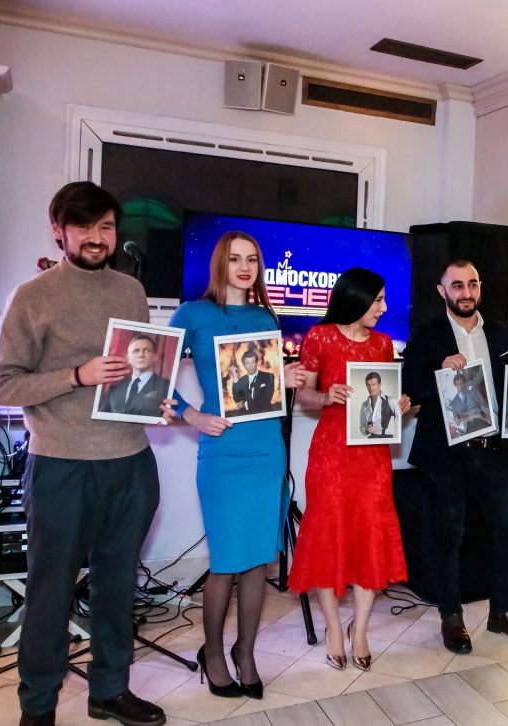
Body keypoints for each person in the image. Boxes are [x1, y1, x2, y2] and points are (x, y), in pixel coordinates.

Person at [0, 181, 165, 726]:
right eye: (83, 226)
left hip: (130, 461)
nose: (95, 237)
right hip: (61, 465)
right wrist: (76, 376)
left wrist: (153, 395)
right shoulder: (32, 296)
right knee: (50, 590)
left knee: (118, 585)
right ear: (58, 231)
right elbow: (1, 384)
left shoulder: (131, 291)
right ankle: (38, 706)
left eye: (105, 227)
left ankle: (109, 690)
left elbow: (137, 369)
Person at [166, 231, 306, 700]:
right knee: (226, 562)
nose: (245, 267)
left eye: (252, 259)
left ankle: (245, 652)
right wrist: (191, 414)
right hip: (223, 454)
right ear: (219, 264)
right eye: (235, 259)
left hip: (267, 450)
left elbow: (263, 384)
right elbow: (152, 373)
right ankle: (213, 652)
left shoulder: (266, 316)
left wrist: (286, 377)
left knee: (258, 562)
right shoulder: (192, 314)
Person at [403, 260, 508, 653]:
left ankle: (501, 611)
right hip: (446, 456)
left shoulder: (501, 332)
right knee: (447, 536)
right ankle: (451, 617)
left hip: (492, 451)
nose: (466, 292)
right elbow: (409, 388)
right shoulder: (427, 334)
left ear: (480, 286)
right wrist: (440, 370)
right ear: (442, 291)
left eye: (472, 284)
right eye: (457, 285)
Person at [288, 267, 410, 671]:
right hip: (331, 456)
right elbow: (302, 394)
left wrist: (401, 404)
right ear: (356, 298)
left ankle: (359, 629)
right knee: (328, 537)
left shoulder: (383, 343)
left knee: (369, 538)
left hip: (372, 459)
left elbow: (385, 398)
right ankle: (333, 629)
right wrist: (326, 396)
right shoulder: (319, 337)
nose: (384, 308)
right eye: (378, 300)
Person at [100, 334, 171, 417]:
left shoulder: (166, 386)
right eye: (136, 351)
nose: (141, 355)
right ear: (128, 358)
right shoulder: (115, 388)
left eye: (147, 350)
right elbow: (101, 416)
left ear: (155, 357)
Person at [230, 349, 277, 415]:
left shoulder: (268, 376)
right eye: (247, 363)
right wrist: (235, 378)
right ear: (244, 365)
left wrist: (245, 403)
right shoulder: (240, 381)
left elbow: (266, 400)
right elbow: (237, 400)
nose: (250, 366)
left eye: (253, 362)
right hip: (246, 415)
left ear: (256, 362)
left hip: (264, 414)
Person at [446, 370, 492, 435]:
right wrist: (457, 418)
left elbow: (484, 404)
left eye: (461, 383)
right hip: (469, 428)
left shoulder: (474, 391)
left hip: (481, 420)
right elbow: (457, 421)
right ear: (455, 386)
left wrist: (488, 417)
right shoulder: (454, 403)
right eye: (458, 384)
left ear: (464, 383)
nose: (460, 386)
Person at [359, 371, 396, 438]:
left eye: (374, 384)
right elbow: (362, 426)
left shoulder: (391, 401)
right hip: (372, 439)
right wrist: (367, 430)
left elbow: (402, 420)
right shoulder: (364, 405)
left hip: (387, 440)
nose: (371, 388)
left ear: (380, 385)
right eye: (368, 385)